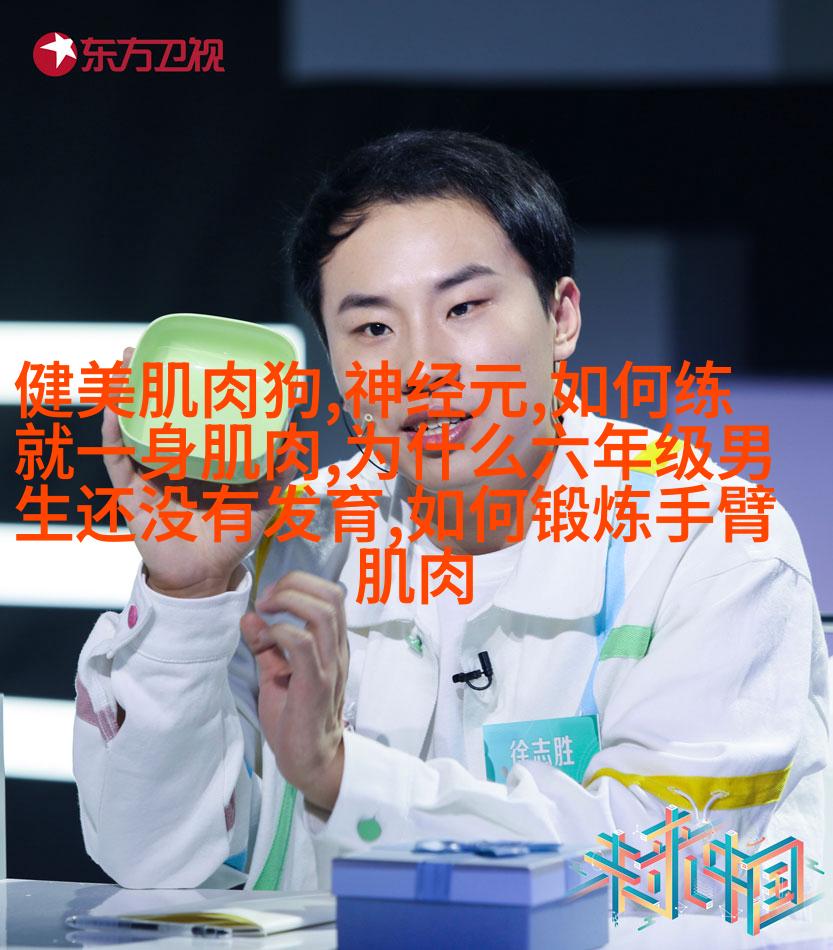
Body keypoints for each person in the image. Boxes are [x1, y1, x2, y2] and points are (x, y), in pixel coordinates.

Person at [74, 130, 828, 895]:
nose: (420, 367)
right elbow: (154, 862)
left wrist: (342, 776)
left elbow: (664, 865)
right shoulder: (288, 538)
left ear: (560, 316)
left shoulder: (710, 541)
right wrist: (189, 597)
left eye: (463, 307)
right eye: (372, 328)